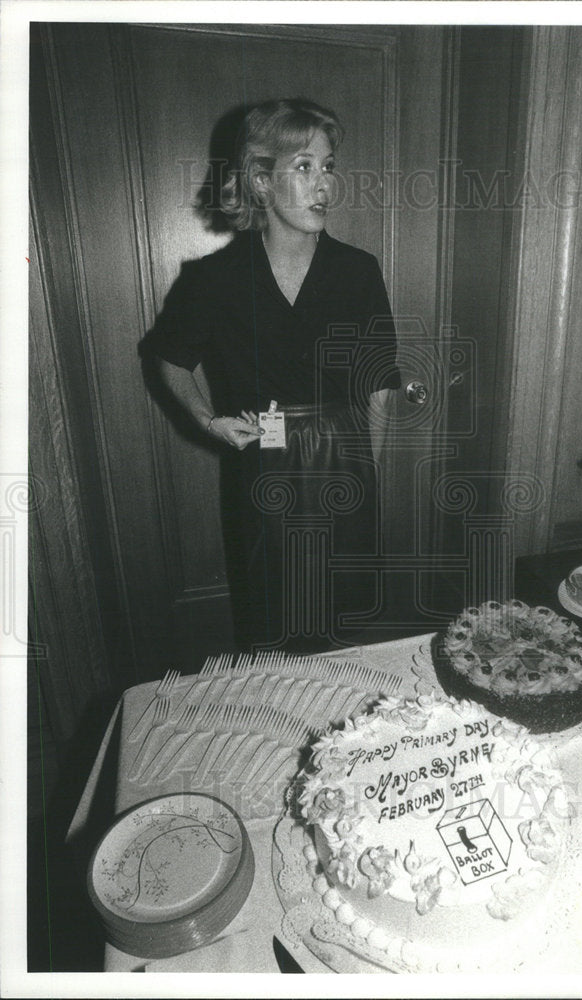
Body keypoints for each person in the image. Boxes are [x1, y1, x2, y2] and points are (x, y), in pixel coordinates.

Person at [142, 98, 401, 652]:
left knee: (344, 621)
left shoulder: (358, 271)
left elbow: (379, 381)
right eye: (302, 166)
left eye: (327, 166)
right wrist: (208, 420)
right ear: (260, 181)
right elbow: (167, 357)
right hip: (263, 461)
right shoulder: (214, 279)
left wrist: (366, 468)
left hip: (344, 458)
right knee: (270, 616)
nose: (322, 184)